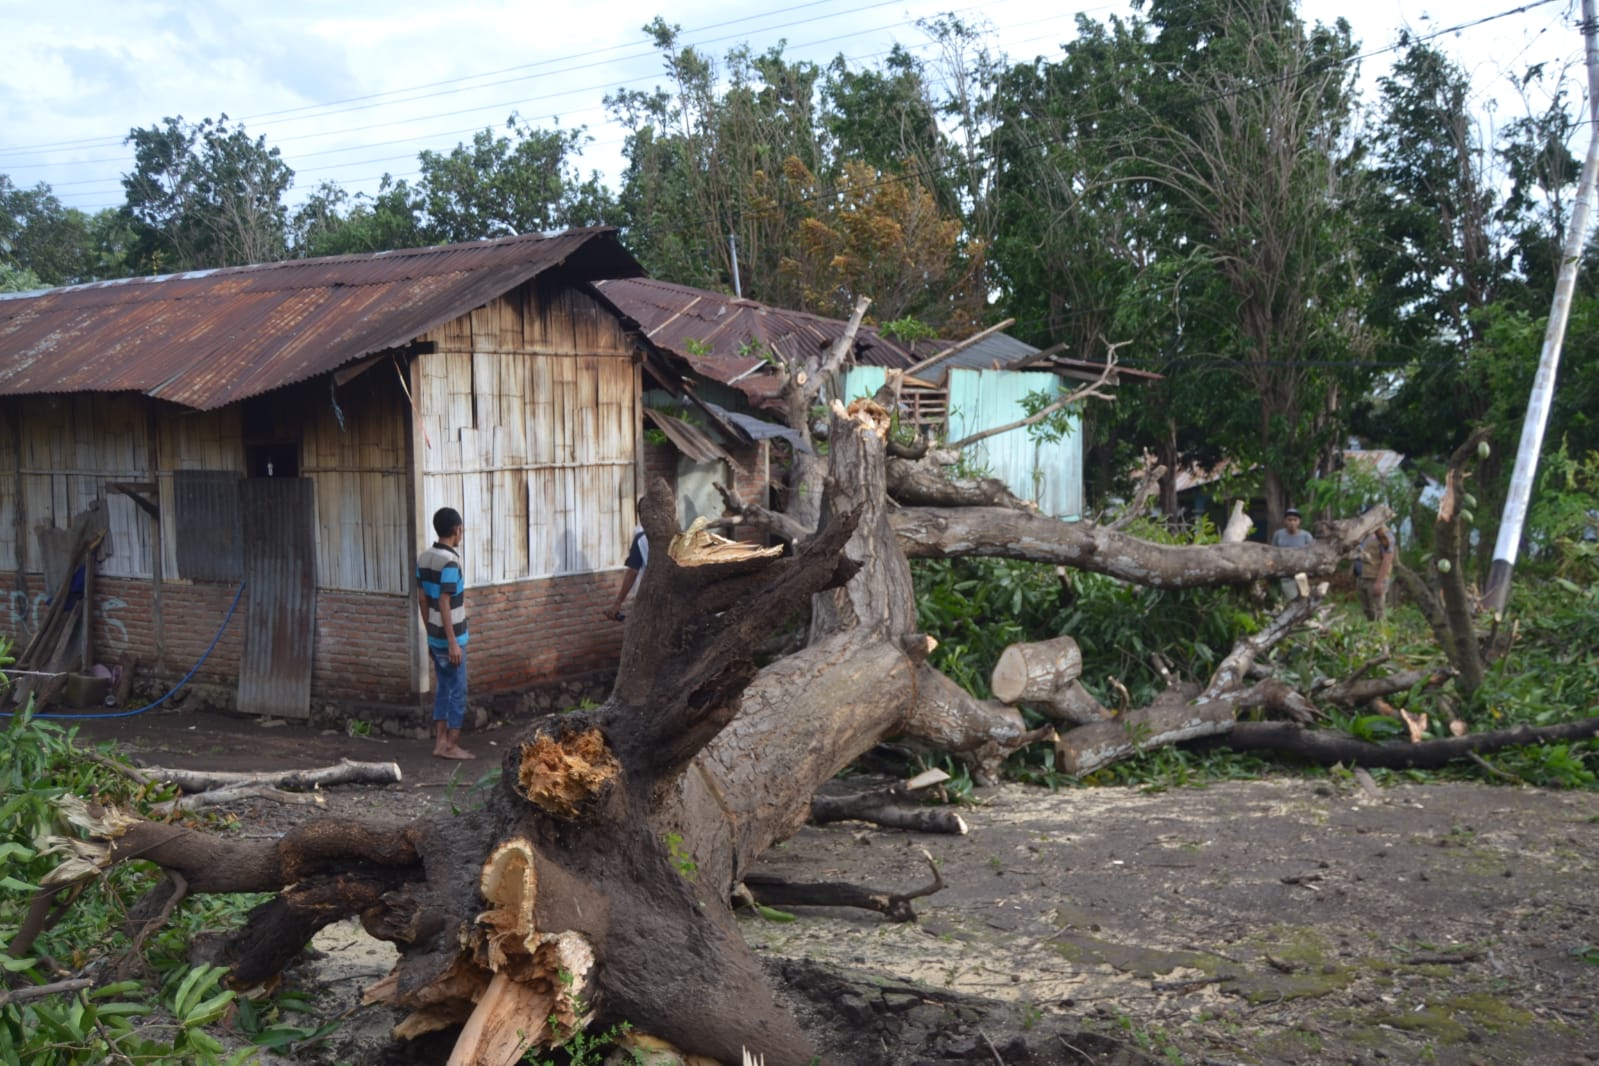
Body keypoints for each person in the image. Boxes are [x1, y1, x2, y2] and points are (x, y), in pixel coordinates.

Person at [416, 507, 474, 760]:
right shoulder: (450, 561)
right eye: (461, 530)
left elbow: (422, 598)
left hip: (435, 636)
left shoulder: (425, 557)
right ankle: (451, 745)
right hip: (453, 637)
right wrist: (452, 643)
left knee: (442, 688)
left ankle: (440, 742)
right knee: (457, 690)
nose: (461, 534)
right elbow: (444, 601)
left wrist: (431, 633)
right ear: (456, 530)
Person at [606, 500, 648, 622]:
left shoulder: (641, 539)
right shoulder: (675, 534)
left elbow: (632, 572)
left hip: (648, 596)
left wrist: (618, 602)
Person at [1271, 507, 1314, 601]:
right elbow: (1272, 552)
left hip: (1302, 575)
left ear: (1299, 521)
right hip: (1285, 575)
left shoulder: (1306, 536)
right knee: (1292, 599)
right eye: (1289, 520)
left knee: (1305, 598)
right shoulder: (1278, 535)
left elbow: (1311, 554)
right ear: (1285, 521)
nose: (1292, 523)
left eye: (1295, 520)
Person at [1355, 520, 1395, 622]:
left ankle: (1381, 635)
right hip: (1362, 577)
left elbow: (1387, 559)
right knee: (1368, 611)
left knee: (1378, 612)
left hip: (1374, 579)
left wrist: (1380, 582)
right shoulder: (1365, 534)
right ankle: (1372, 635)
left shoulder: (1385, 535)